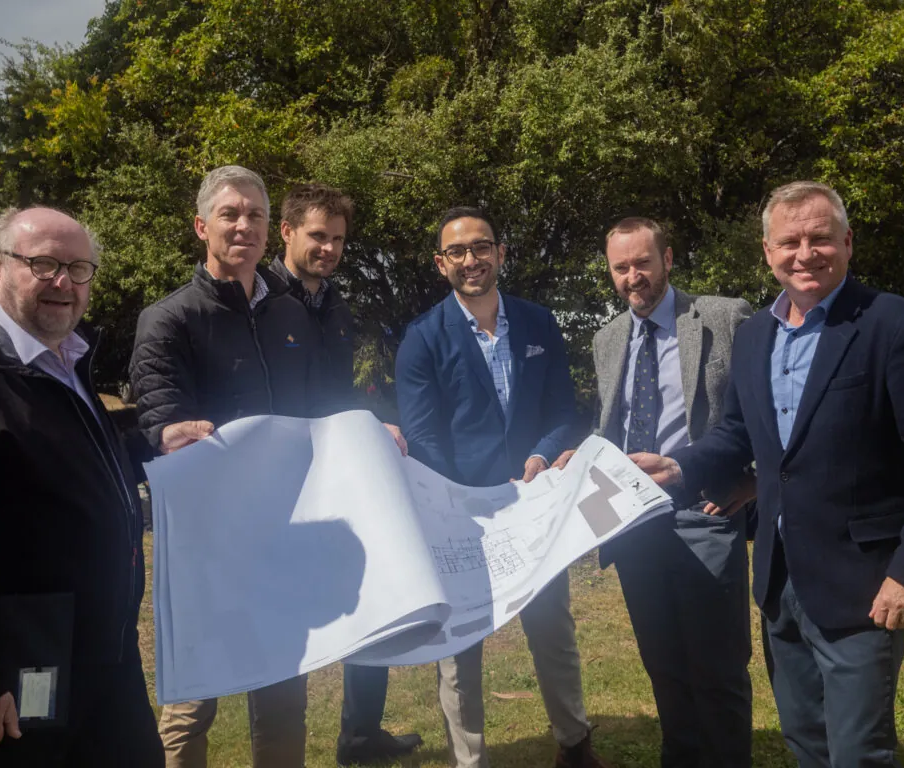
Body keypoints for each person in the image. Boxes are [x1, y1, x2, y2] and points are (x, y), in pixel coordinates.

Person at [634, 181, 904, 767]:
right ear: (768, 252)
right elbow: (738, 432)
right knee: (805, 741)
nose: (805, 254)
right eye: (790, 242)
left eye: (820, 238)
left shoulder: (895, 327)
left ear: (848, 242)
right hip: (779, 577)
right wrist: (679, 464)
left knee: (859, 752)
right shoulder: (756, 334)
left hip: (863, 583)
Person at [0, 207, 163, 767]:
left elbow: (58, 457)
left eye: (78, 267)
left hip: (102, 658)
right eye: (42, 264)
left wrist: (148, 442)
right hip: (18, 676)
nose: (63, 282)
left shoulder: (67, 359)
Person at [395, 207, 611, 768]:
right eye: (459, 252)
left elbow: (565, 410)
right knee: (460, 647)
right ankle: (470, 760)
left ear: (501, 253)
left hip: (536, 506)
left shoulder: (539, 323)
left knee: (552, 629)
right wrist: (466, 501)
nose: (472, 260)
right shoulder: (422, 338)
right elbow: (423, 437)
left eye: (482, 247)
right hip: (462, 514)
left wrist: (542, 454)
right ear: (442, 263)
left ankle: (574, 742)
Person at [129, 166, 321, 768]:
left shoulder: (293, 315)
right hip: (204, 540)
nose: (243, 225)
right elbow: (157, 413)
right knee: (193, 696)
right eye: (230, 214)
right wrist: (165, 431)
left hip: (284, 528)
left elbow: (317, 407)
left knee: (285, 686)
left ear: (270, 230)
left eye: (255, 215)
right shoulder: (168, 319)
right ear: (201, 226)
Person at [554, 217, 753, 766]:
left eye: (643, 263)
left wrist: (752, 476)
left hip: (702, 511)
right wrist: (582, 455)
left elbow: (757, 409)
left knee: (716, 669)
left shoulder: (723, 317)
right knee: (663, 664)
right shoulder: (608, 337)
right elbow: (610, 425)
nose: (632, 277)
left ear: (668, 259)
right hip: (634, 521)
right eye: (621, 268)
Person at [268, 182, 422, 766]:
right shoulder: (256, 302)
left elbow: (333, 393)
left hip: (336, 469)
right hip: (282, 483)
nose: (328, 248)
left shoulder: (335, 306)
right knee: (288, 620)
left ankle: (360, 735)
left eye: (337, 239)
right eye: (317, 236)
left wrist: (368, 424)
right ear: (286, 232)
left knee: (370, 596)